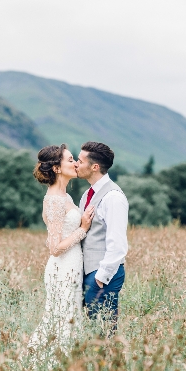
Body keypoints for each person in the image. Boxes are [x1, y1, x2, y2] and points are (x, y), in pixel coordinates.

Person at [27, 144, 95, 367]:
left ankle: (61, 366)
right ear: (56, 168)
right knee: (62, 318)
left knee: (67, 317)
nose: (75, 163)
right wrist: (83, 229)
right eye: (70, 160)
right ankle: (44, 367)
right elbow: (54, 247)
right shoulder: (55, 200)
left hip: (71, 264)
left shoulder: (64, 196)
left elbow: (51, 237)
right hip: (62, 267)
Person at [75, 141, 129, 336]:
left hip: (102, 275)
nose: (76, 164)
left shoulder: (113, 197)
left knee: (103, 333)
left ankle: (110, 366)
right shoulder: (87, 195)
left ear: (94, 167)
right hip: (89, 272)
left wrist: (101, 277)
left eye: (80, 161)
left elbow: (118, 243)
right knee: (91, 331)